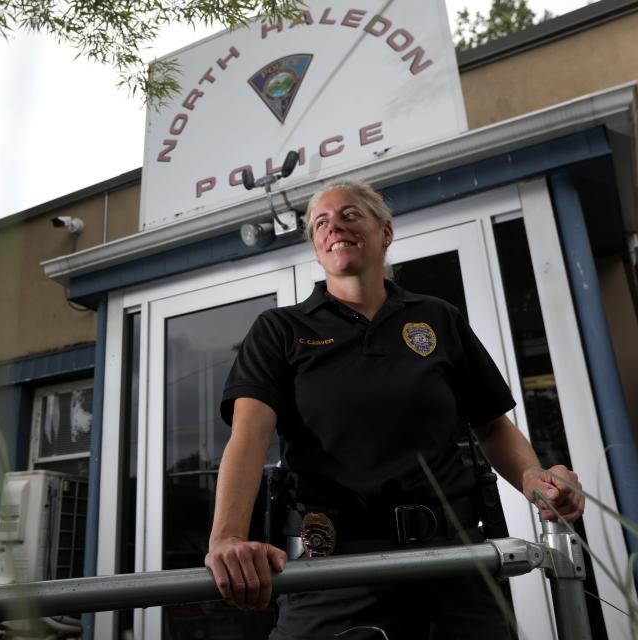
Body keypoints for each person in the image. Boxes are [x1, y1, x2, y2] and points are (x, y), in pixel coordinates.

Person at [205, 180, 586, 639]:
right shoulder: (280, 329)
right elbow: (249, 435)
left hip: (455, 560)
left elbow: (490, 423)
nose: (334, 227)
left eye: (349, 215)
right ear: (316, 248)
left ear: (385, 232)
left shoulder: (437, 317)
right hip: (337, 568)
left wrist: (532, 478)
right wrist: (226, 537)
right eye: (321, 223)